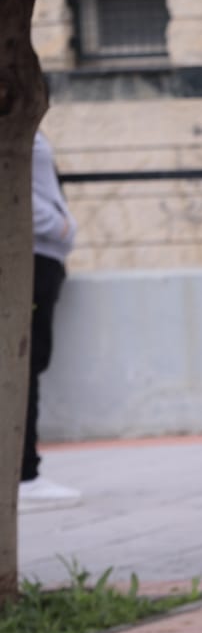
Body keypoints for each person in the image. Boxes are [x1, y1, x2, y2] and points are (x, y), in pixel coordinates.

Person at [19, 131, 80, 513]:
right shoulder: (11, 117)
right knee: (23, 365)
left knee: (28, 364)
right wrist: (58, 227)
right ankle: (24, 475)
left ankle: (24, 472)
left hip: (38, 254)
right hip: (31, 253)